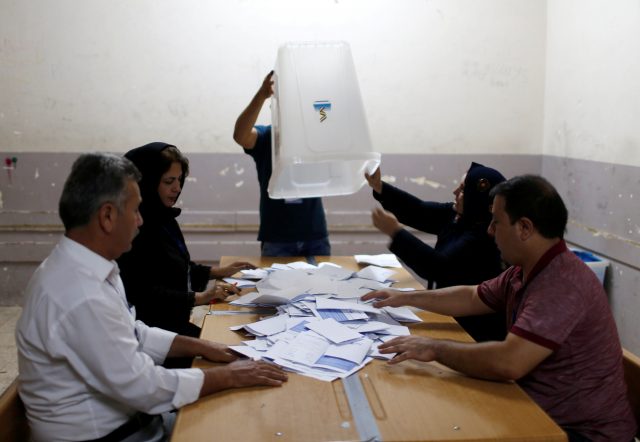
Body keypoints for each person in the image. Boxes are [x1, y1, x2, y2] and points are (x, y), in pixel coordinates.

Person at [15, 153, 287, 442]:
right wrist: (230, 376)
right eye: (135, 211)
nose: (140, 221)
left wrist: (202, 345)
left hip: (133, 422)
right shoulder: (79, 293)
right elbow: (142, 387)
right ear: (107, 216)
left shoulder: (89, 267)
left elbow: (132, 333)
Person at [362, 175, 636, 441]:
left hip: (576, 433)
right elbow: (471, 297)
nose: (490, 230)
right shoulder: (525, 270)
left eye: (497, 222)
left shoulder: (561, 283)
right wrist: (405, 297)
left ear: (525, 228)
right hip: (537, 410)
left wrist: (434, 347)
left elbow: (509, 363)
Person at [117, 142, 255, 340]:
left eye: (180, 180)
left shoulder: (163, 217)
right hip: (153, 332)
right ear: (147, 181)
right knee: (227, 342)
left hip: (173, 323)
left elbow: (175, 266)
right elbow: (143, 292)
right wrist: (198, 298)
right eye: (168, 181)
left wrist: (219, 271)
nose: (177, 188)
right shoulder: (136, 226)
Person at [365, 162, 507, 341]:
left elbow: (437, 267)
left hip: (473, 329)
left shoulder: (483, 235)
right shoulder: (459, 216)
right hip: (447, 311)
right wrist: (379, 187)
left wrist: (396, 233)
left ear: (477, 199)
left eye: (463, 190)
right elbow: (419, 211)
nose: (455, 192)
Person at [233, 71, 330, 257]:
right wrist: (262, 95)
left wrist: (320, 97)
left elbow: (326, 122)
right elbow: (240, 135)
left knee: (322, 285)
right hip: (277, 237)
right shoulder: (266, 137)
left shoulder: (313, 139)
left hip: (314, 235)